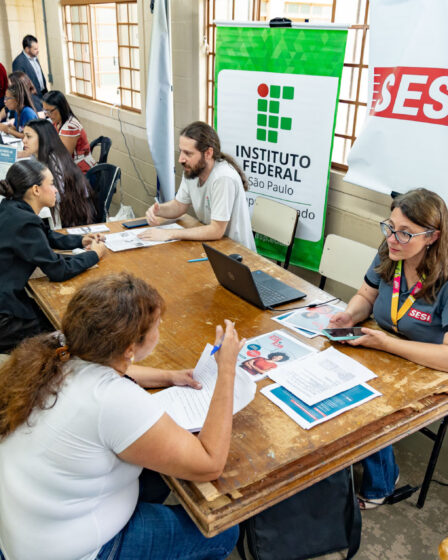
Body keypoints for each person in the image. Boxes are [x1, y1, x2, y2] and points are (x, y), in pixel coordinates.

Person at [0, 272, 241, 560]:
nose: (160, 329)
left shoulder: (57, 349)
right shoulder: (112, 399)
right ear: (130, 348)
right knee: (224, 532)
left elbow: (115, 368)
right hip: (73, 551)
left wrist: (169, 376)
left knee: (159, 473)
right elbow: (210, 464)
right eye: (157, 325)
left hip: (27, 527)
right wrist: (227, 369)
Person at [328, 188, 448, 509]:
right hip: (385, 345)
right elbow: (366, 296)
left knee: (366, 399)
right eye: (390, 227)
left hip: (430, 367)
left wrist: (387, 344)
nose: (392, 238)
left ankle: (381, 484)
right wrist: (350, 315)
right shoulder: (390, 252)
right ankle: (351, 454)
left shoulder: (445, 278)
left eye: (405, 233)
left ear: (432, 237)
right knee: (332, 374)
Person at [0, 159, 106, 353]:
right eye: (51, 184)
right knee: (66, 329)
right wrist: (94, 255)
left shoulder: (11, 207)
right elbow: (58, 270)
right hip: (5, 319)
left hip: (7, 301)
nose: (56, 189)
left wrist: (80, 240)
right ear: (36, 190)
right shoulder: (25, 222)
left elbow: (44, 235)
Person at [140, 121, 256, 250]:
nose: (181, 159)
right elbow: (179, 206)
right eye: (181, 151)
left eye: (188, 153)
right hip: (214, 246)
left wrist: (170, 233)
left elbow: (216, 230)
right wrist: (158, 210)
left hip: (238, 252)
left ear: (208, 153)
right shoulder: (193, 170)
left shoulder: (223, 177)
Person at [22, 119, 96, 228]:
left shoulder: (54, 160)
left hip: (71, 215)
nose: (24, 140)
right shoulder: (36, 155)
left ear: (43, 138)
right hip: (58, 208)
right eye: (24, 136)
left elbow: (56, 197)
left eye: (28, 137)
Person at [43, 90, 96, 173]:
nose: (47, 115)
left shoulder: (70, 127)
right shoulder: (57, 122)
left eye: (50, 111)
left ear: (60, 108)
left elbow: (62, 158)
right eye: (45, 111)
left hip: (81, 170)